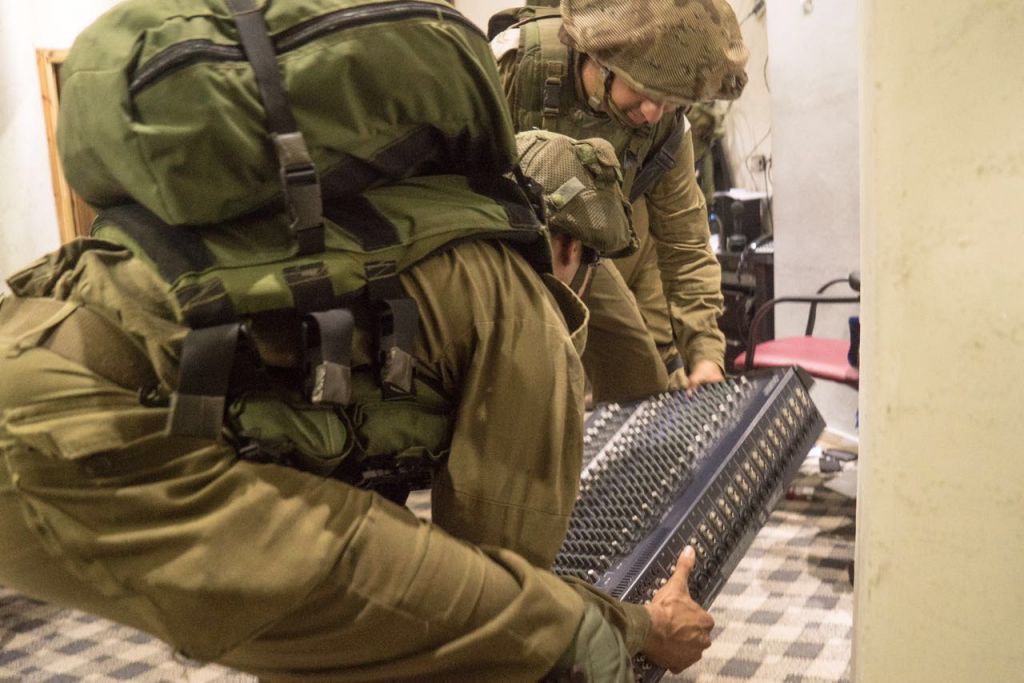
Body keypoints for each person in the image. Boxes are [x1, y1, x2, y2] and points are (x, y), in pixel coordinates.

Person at [0, 13, 713, 678]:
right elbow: (493, 589)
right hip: (85, 427)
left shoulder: (399, 226)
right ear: (570, 244)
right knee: (488, 633)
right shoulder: (523, 303)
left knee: (340, 621)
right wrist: (638, 627)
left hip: (35, 341)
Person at [492, 0, 750, 402]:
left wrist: (705, 354)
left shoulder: (666, 125)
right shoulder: (518, 66)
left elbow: (686, 243)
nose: (652, 112)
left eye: (669, 101)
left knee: (640, 379)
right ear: (600, 58)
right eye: (644, 91)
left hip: (582, 251)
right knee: (520, 390)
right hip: (495, 249)